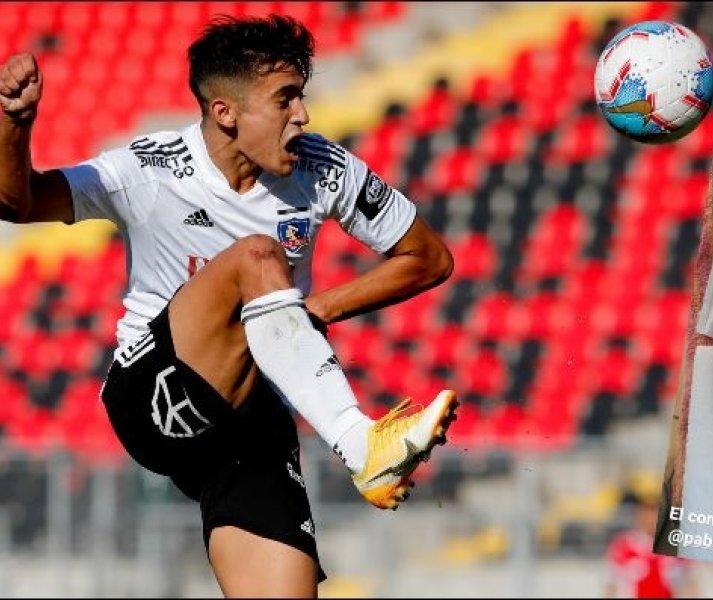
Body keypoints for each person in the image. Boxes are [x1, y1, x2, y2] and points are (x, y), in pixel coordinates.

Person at [0, 14, 459, 597]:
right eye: (285, 99)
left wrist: (314, 310)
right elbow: (17, 205)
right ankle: (359, 442)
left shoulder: (323, 169)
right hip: (152, 389)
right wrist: (14, 124)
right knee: (256, 257)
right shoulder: (149, 169)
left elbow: (428, 258)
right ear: (226, 113)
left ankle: (357, 448)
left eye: (302, 95)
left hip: (247, 418)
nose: (303, 115)